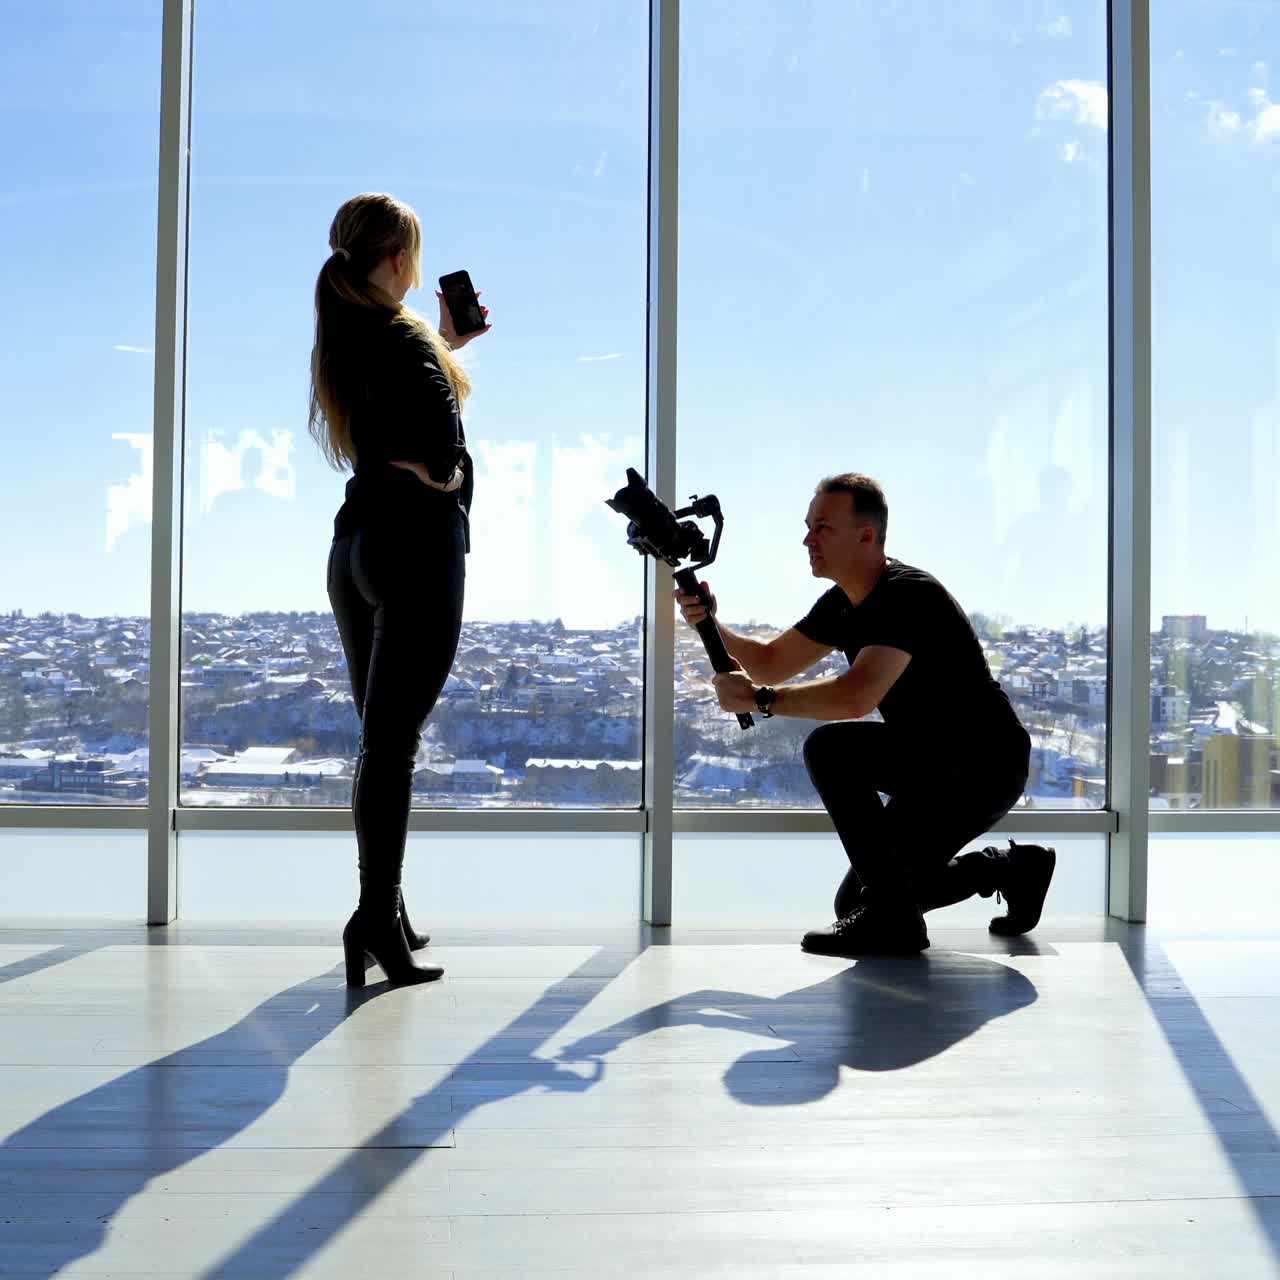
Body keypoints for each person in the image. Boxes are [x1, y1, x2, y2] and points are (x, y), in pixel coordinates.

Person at [674, 473, 1056, 957]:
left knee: (831, 749)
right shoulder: (842, 604)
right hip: (926, 763)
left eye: (822, 528)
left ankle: (898, 922)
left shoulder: (908, 594)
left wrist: (763, 701)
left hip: (981, 765)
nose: (808, 539)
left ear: (866, 535)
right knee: (854, 902)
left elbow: (854, 697)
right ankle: (1009, 868)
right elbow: (771, 661)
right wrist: (710, 622)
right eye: (808, 527)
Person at [309, 192, 490, 986]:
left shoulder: (349, 333)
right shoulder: (402, 339)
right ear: (396, 260)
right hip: (417, 545)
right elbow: (442, 457)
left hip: (354, 549)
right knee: (394, 746)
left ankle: (387, 910)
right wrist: (442, 467)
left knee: (379, 743)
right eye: (412, 256)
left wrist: (449, 347)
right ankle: (375, 915)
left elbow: (385, 429)